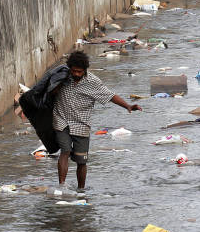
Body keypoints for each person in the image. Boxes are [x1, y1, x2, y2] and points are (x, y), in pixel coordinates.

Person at [52, 50, 141, 190]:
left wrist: (127, 106)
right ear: (70, 68)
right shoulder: (62, 77)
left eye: (79, 72)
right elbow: (47, 90)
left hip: (81, 124)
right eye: (74, 71)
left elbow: (110, 95)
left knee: (81, 161)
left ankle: (81, 190)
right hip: (61, 120)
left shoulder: (93, 82)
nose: (76, 74)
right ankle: (62, 185)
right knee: (65, 151)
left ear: (85, 70)